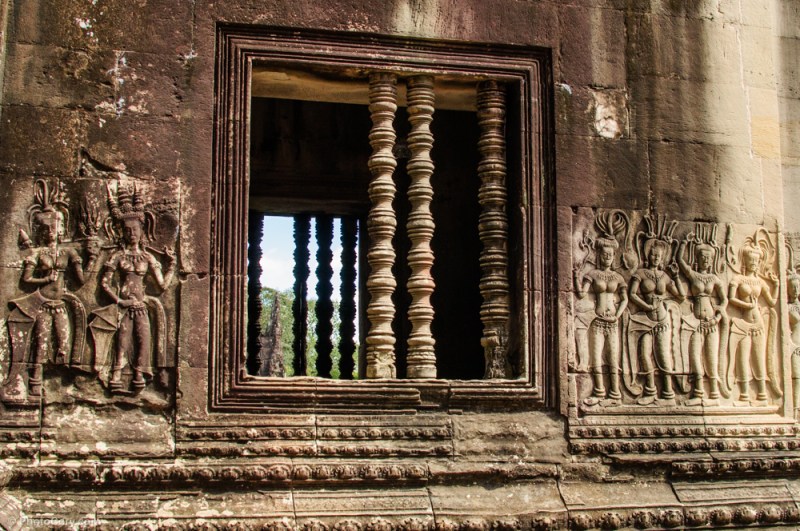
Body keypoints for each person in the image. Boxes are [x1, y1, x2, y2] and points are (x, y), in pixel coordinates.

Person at [5, 180, 96, 397]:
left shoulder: (69, 253)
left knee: (63, 345)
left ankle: (62, 385)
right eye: (47, 228)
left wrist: (92, 259)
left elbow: (81, 280)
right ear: (41, 230)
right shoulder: (37, 254)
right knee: (40, 345)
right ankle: (35, 383)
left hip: (61, 304)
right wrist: (45, 279)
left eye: (56, 226)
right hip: (41, 304)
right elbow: (26, 279)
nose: (52, 231)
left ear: (63, 228)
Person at [96, 183, 175, 393]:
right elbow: (104, 283)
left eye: (135, 229)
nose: (132, 233)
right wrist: (120, 301)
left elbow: (162, 285)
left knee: (143, 342)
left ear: (142, 231)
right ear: (121, 232)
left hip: (140, 306)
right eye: (128, 230)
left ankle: (139, 375)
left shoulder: (148, 257)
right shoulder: (117, 256)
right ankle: (115, 375)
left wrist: (171, 265)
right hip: (123, 307)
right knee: (121, 343)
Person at [628, 239, 685, 405]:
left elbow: (681, 297)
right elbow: (632, 294)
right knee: (645, 354)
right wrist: (646, 306)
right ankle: (650, 391)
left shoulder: (665, 277)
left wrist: (675, 276)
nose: (655, 258)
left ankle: (668, 394)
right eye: (652, 254)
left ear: (662, 258)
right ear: (648, 255)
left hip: (662, 320)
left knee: (663, 355)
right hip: (646, 319)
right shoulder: (640, 273)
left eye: (658, 256)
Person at [574, 236, 628, 406]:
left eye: (610, 255)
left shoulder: (618, 277)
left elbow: (625, 299)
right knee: (596, 358)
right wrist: (576, 276)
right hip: (597, 322)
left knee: (613, 358)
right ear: (599, 255)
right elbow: (582, 294)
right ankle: (599, 392)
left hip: (612, 322)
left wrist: (618, 315)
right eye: (604, 254)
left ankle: (615, 394)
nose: (607, 258)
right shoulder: (592, 274)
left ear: (614, 256)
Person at [677, 239, 728, 405]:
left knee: (711, 358)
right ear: (697, 258)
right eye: (703, 257)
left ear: (711, 260)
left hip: (711, 323)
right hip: (695, 324)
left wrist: (717, 318)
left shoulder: (714, 278)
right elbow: (680, 261)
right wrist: (684, 243)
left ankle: (713, 395)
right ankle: (698, 393)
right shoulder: (694, 275)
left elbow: (724, 300)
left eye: (708, 258)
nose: (705, 260)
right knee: (695, 358)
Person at [727, 241, 778, 405]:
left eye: (757, 261)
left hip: (758, 325)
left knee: (758, 359)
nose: (754, 263)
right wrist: (746, 305)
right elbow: (731, 298)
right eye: (751, 260)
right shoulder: (738, 278)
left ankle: (762, 395)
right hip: (743, 323)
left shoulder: (760, 282)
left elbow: (771, 302)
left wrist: (776, 285)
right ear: (745, 260)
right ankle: (744, 395)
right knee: (742, 358)